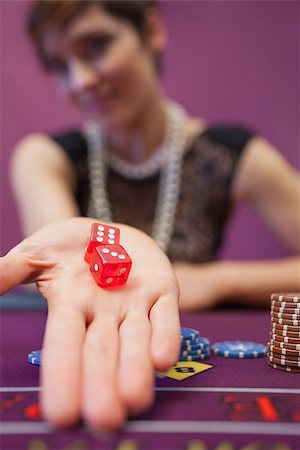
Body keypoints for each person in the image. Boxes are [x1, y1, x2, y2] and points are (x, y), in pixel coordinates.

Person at [1, 0, 299, 431]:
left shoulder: (234, 153)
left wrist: (218, 281)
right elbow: (57, 244)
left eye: (96, 46)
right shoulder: (43, 157)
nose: (80, 80)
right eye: (60, 66)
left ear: (151, 30)